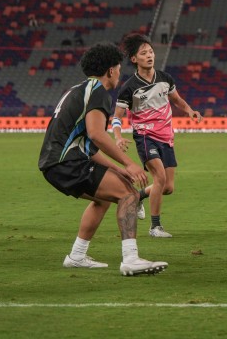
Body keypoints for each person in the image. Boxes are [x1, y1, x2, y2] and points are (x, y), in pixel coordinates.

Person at [38, 42, 167, 276]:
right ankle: (131, 258)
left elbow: (88, 144)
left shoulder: (78, 90)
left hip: (54, 164)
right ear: (110, 70)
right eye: (118, 68)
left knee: (105, 197)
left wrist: (119, 169)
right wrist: (129, 163)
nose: (120, 73)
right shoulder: (98, 92)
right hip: (68, 162)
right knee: (128, 194)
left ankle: (77, 256)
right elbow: (97, 135)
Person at [112, 33, 201, 238]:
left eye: (151, 51)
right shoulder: (129, 88)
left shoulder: (165, 79)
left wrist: (189, 111)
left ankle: (138, 196)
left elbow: (177, 100)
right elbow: (116, 117)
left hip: (166, 136)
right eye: (144, 53)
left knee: (167, 187)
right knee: (159, 177)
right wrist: (117, 136)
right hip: (145, 136)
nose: (149, 55)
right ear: (134, 59)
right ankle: (155, 227)